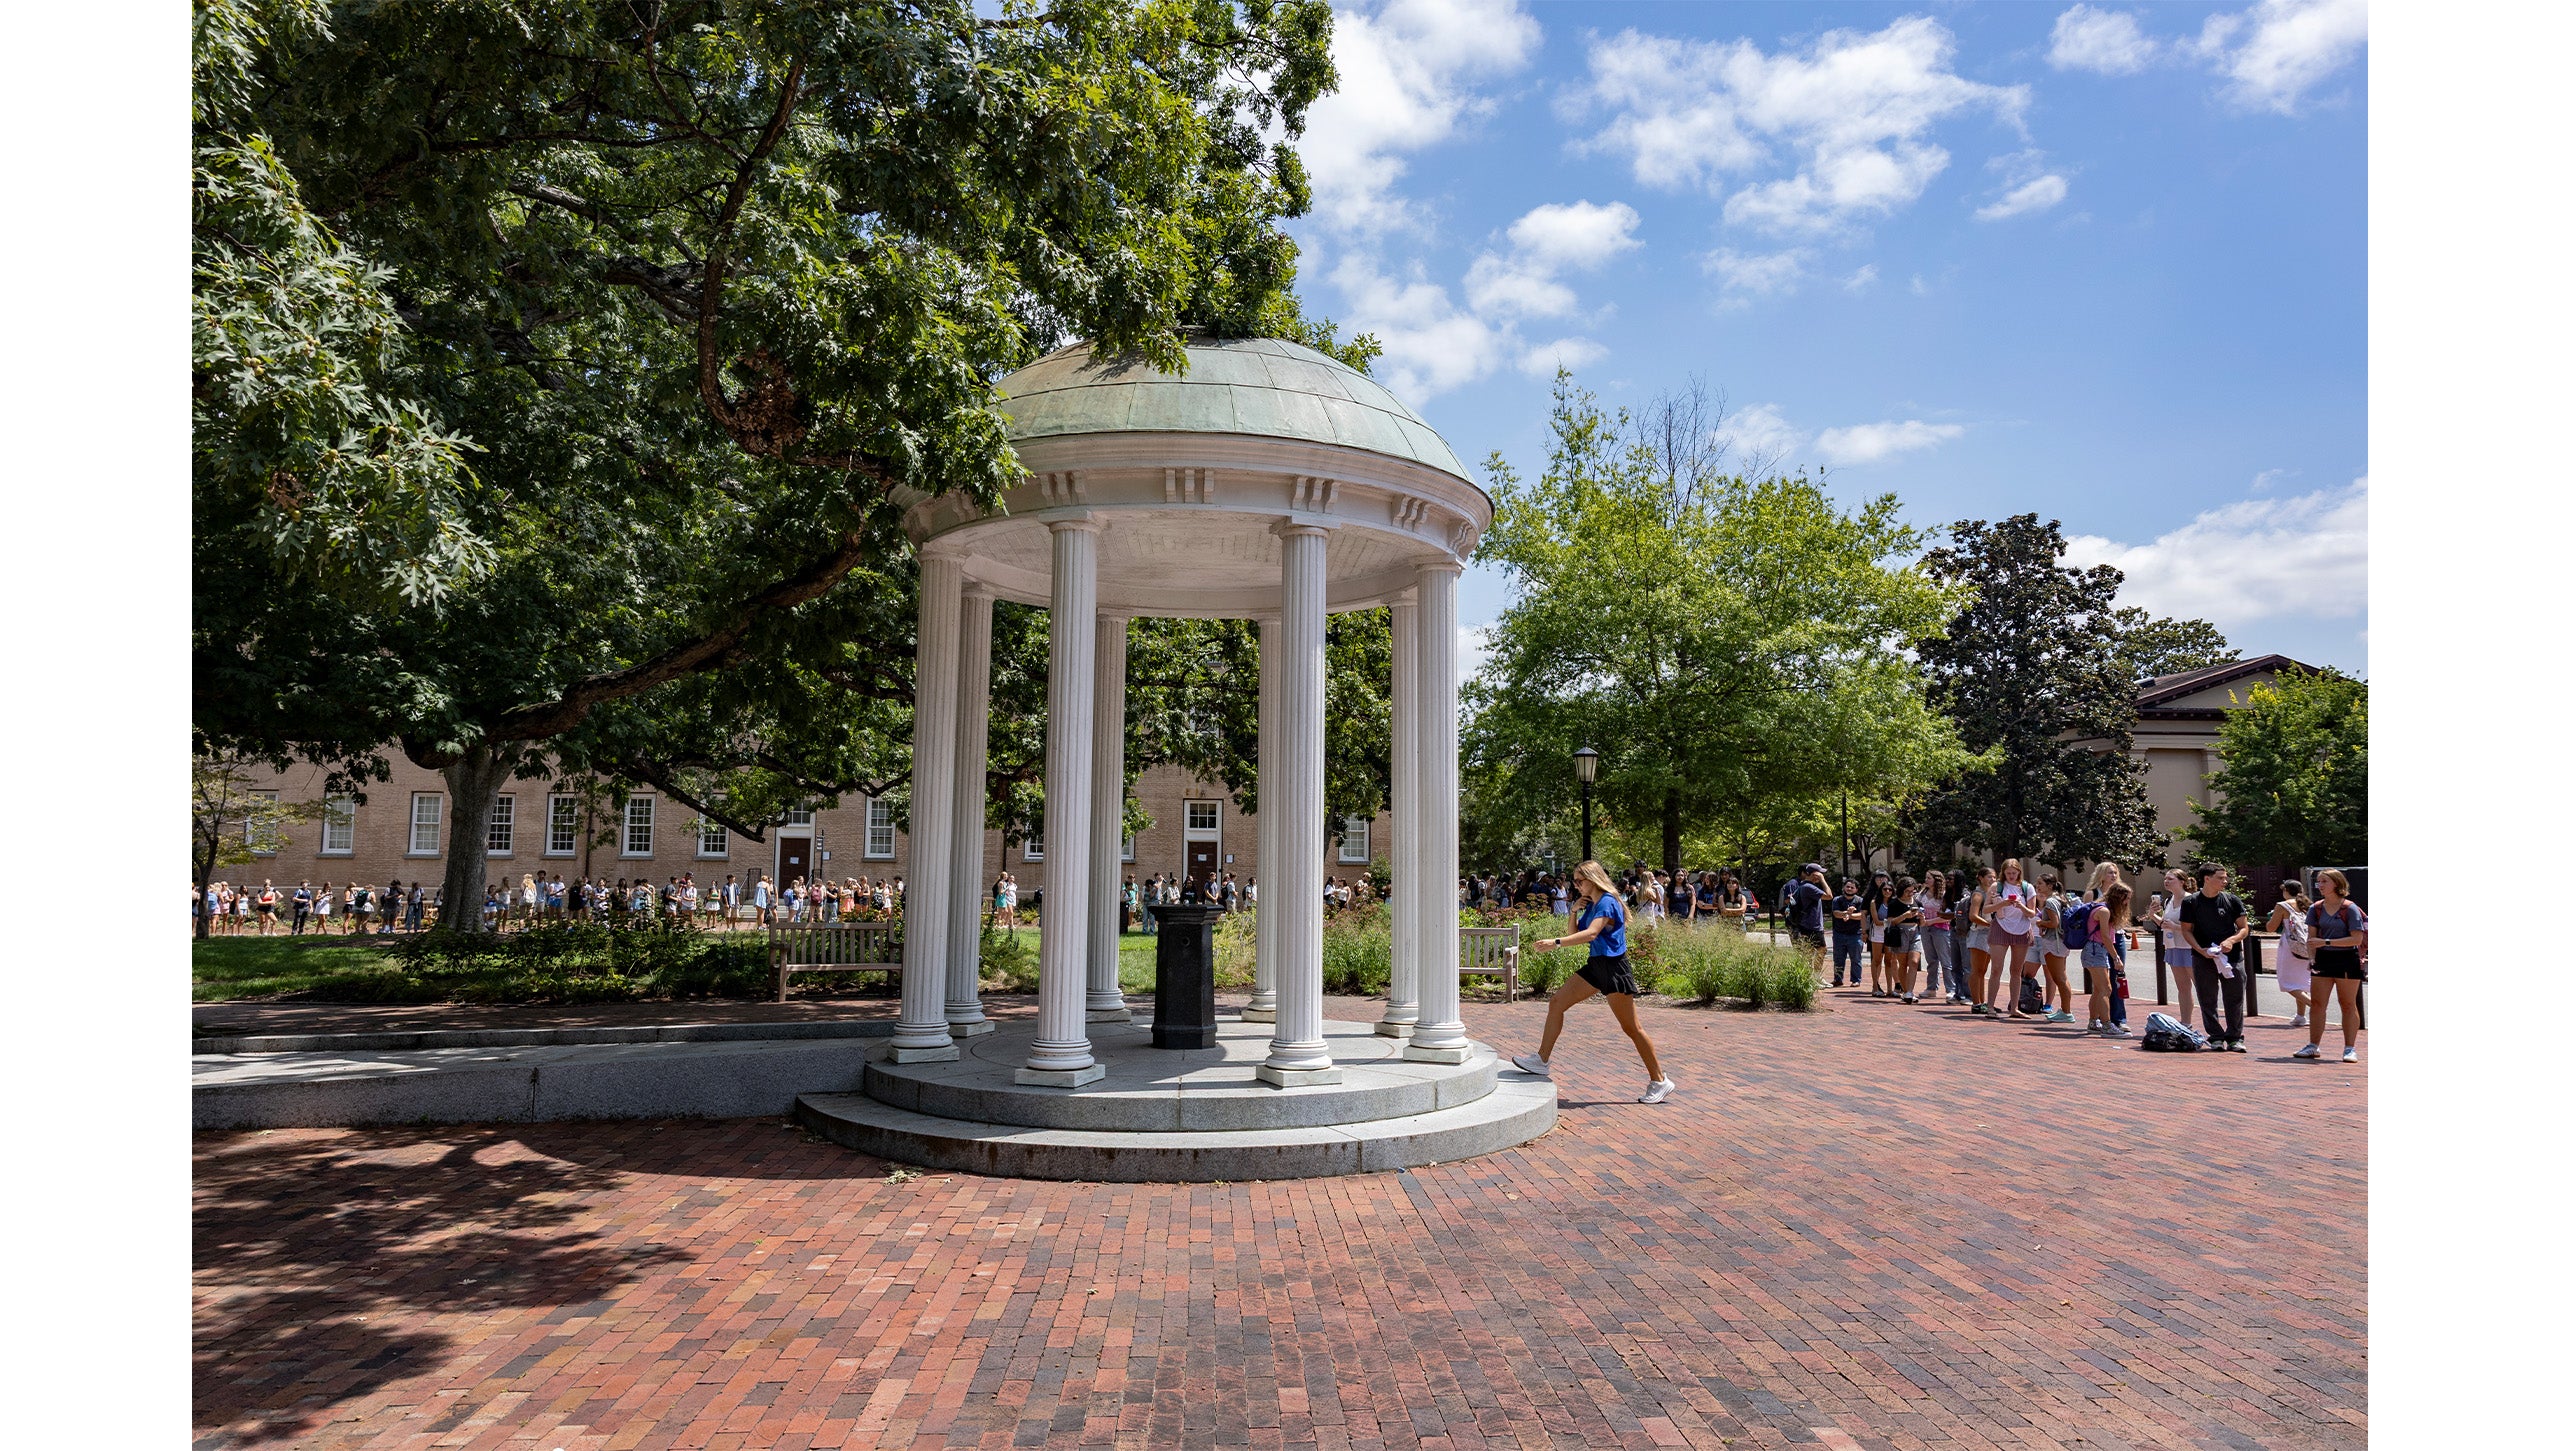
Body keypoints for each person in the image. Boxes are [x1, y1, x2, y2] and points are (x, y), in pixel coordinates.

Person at [1511, 860, 1674, 1104]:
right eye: (1574, 881)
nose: (1576, 885)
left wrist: (1554, 943)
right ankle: (1541, 1060)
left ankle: (1660, 1080)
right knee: (1556, 1003)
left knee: (1632, 1028)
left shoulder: (1607, 901)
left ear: (1593, 878)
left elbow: (1591, 934)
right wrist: (1574, 910)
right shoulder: (1592, 904)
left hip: (1613, 968)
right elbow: (1574, 932)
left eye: (1580, 880)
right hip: (1596, 966)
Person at [2293, 868, 2367, 1062]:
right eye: (2319, 881)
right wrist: (2311, 958)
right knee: (2317, 1004)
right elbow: (2311, 938)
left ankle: (2349, 1048)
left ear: (2337, 883)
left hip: (2346, 959)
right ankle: (2313, 1045)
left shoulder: (2349, 908)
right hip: (2323, 960)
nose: (2320, 885)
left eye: (2325, 881)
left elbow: (2356, 939)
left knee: (2347, 1004)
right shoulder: (2315, 908)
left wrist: (2326, 942)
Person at [2180, 864, 2252, 1053]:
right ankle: (2216, 1037)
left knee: (2235, 997)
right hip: (2203, 957)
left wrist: (2232, 940)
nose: (2225, 881)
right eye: (2220, 877)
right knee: (2207, 997)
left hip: (2232, 957)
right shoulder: (2191, 902)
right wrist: (2200, 949)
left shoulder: (2232, 901)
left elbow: (2244, 928)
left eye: (2225, 877)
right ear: (2207, 878)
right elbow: (2186, 930)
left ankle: (2235, 1037)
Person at [2079, 884, 2136, 1039]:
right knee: (2106, 989)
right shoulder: (2104, 911)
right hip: (2095, 949)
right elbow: (2105, 936)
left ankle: (2093, 1022)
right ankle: (2106, 1024)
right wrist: (2116, 957)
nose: (2127, 903)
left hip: (2096, 950)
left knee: (2098, 989)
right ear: (2118, 897)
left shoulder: (2103, 909)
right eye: (2126, 899)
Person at [1986, 859, 2040, 1019]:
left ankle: (2014, 1008)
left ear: (2019, 872)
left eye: (2014, 873)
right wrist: (2002, 904)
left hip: (2022, 929)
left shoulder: (2027, 888)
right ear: (2003, 873)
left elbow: (2032, 913)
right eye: (2008, 873)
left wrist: (2020, 906)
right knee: (1996, 969)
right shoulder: (1997, 887)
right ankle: (1990, 1007)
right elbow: (1986, 908)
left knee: (2016, 971)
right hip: (2001, 928)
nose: (2011, 876)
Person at [2147, 869, 2199, 1030]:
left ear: (2182, 881)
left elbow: (2198, 926)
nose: (2166, 881)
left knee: (2201, 986)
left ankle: (2212, 1023)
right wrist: (2152, 915)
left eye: (2171, 879)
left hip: (2189, 947)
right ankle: (2185, 1023)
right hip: (2173, 947)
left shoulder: (2191, 900)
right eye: (2165, 879)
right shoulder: (2169, 901)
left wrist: (2176, 927)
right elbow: (2164, 924)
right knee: (2182, 987)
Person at [2263, 879, 2316, 1028]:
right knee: (2301, 981)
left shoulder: (2282, 906)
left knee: (2286, 982)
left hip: (2290, 946)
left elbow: (2270, 928)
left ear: (2286, 890)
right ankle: (2300, 1016)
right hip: (2307, 946)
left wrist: (2271, 918)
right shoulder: (2307, 904)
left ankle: (2316, 1007)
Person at [2035, 872, 2074, 1025]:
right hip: (2061, 942)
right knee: (2062, 977)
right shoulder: (2061, 899)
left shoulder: (2051, 901)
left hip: (2054, 942)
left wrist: (2040, 923)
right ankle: (2065, 1010)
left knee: (2059, 978)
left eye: (2040, 884)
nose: (2037, 886)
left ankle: (2066, 1012)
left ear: (2050, 886)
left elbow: (2054, 923)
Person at [1963, 867, 1997, 1013]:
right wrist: (1990, 924)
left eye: (1994, 877)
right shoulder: (1978, 894)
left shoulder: (1993, 893)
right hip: (1979, 934)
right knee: (1976, 970)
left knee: (1983, 970)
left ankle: (1983, 1002)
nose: (1992, 880)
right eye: (1989, 877)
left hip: (1989, 935)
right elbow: (1973, 916)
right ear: (1981, 878)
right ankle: (1976, 1003)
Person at [1827, 873, 1865, 989]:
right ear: (1844, 888)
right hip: (1839, 934)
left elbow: (1862, 915)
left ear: (1856, 889)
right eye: (1847, 887)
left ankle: (1856, 980)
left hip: (1855, 935)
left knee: (1856, 959)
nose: (1849, 889)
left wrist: (1849, 915)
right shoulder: (1837, 900)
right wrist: (1846, 913)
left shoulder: (1860, 901)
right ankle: (1838, 979)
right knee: (1838, 958)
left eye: (1852, 887)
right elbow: (1836, 914)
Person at [1782, 864, 1829, 952]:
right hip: (1812, 926)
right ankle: (1813, 966)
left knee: (1809, 952)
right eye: (1820, 874)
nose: (1821, 875)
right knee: (1821, 950)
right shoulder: (1808, 887)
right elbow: (1829, 896)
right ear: (1814, 874)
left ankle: (1809, 966)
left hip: (1806, 924)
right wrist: (1822, 880)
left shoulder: (1803, 885)